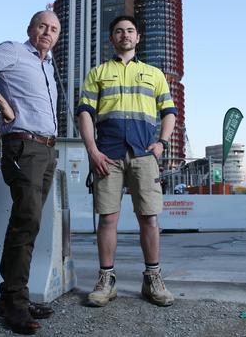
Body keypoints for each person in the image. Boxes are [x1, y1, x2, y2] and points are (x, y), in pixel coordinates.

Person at [0, 10, 60, 335]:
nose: (48, 31)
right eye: (42, 26)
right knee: (25, 220)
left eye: (54, 28)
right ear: (30, 28)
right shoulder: (15, 51)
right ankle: (12, 303)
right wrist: (1, 103)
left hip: (46, 150)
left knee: (31, 223)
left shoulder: (47, 66)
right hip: (24, 146)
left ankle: (18, 295)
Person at [76, 15, 177, 307]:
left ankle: (153, 279)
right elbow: (85, 113)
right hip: (108, 154)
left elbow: (169, 111)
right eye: (119, 31)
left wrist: (162, 144)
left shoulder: (154, 73)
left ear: (138, 37)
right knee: (108, 218)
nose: (125, 35)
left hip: (145, 153)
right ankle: (107, 280)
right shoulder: (98, 72)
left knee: (150, 217)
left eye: (130, 31)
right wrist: (93, 151)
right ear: (112, 38)